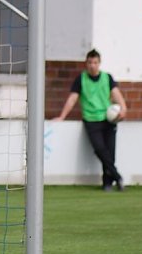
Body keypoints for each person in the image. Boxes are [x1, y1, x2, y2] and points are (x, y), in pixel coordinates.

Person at [54, 49, 128, 191]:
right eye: (89, 62)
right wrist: (62, 116)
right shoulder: (80, 79)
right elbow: (72, 99)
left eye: (95, 62)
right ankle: (118, 177)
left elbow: (116, 94)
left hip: (109, 119)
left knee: (110, 152)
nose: (92, 65)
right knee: (100, 149)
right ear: (86, 64)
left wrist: (123, 109)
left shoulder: (107, 77)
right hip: (91, 120)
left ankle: (107, 183)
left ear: (99, 63)